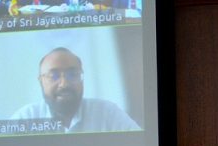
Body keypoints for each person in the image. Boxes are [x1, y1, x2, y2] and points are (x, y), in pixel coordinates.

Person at [9, 47, 140, 131]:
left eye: (73, 74)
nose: (64, 84)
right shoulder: (25, 118)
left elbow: (137, 144)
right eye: (53, 76)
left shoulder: (108, 113)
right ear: (41, 81)